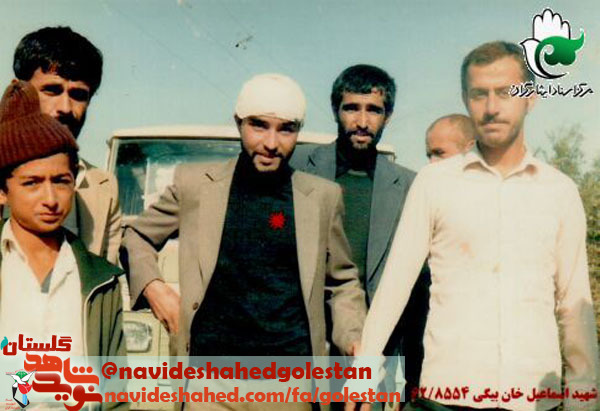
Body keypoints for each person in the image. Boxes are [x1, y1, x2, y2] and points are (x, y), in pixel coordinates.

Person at [355, 41, 599, 411]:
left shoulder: (559, 191)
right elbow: (394, 286)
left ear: (530, 98)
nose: (492, 107)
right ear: (466, 100)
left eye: (506, 92)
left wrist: (584, 399)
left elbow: (574, 303)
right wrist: (363, 375)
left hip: (533, 399)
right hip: (446, 397)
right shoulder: (434, 182)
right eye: (479, 94)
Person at [122, 73, 367, 410]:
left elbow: (341, 281)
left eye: (286, 129)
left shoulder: (322, 197)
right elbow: (136, 236)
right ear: (238, 122)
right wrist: (155, 289)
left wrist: (355, 340)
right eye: (259, 126)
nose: (271, 143)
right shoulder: (196, 185)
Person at [291, 64, 430, 403]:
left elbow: (418, 287)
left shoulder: (410, 186)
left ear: (388, 115)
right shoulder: (296, 166)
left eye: (374, 110)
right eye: (352, 108)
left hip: (372, 356)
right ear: (335, 110)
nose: (363, 121)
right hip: (300, 346)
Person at [0, 80, 125, 366]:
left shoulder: (102, 280)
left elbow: (114, 383)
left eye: (60, 181)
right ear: (3, 191)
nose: (50, 199)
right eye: (32, 183)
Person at [11, 26, 121, 263]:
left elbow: (109, 278)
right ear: (20, 92)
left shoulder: (103, 187)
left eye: (78, 95)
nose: (65, 108)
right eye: (52, 90)